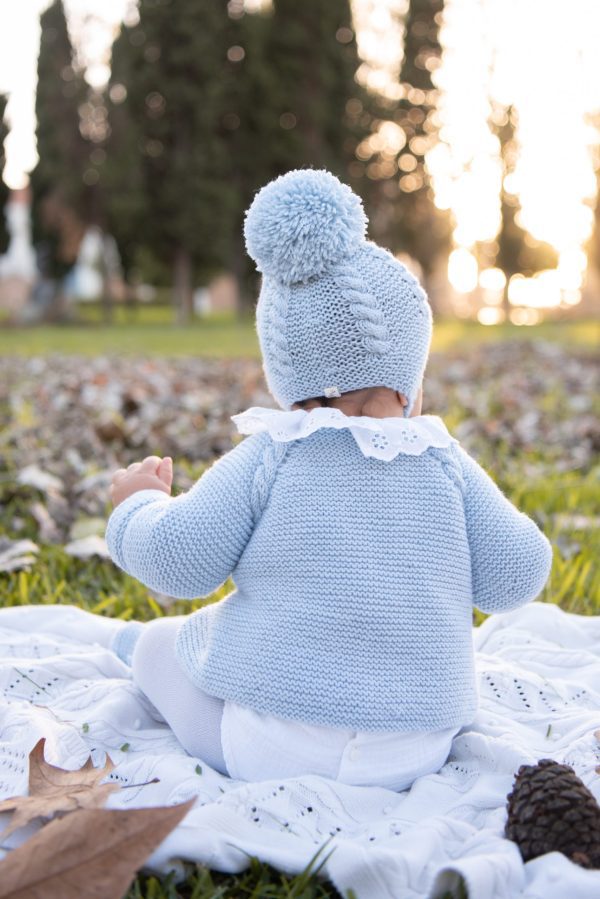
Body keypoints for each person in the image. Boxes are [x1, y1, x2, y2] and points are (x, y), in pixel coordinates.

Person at [105, 169, 553, 789]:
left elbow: (182, 561)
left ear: (286, 369)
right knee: (202, 641)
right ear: (409, 379)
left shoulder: (275, 453)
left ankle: (151, 661)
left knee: (160, 645)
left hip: (273, 747)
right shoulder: (443, 462)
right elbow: (519, 572)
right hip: (415, 745)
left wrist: (137, 508)